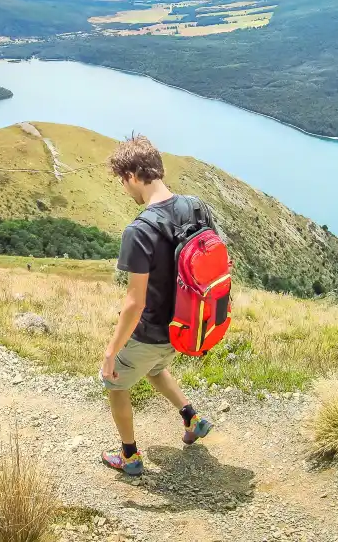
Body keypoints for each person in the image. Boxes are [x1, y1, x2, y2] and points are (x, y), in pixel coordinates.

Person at [99, 134, 214, 477]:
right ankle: (192, 418)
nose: (125, 189)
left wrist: (110, 352)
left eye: (123, 182)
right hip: (188, 327)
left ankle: (130, 456)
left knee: (115, 382)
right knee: (154, 368)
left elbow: (135, 303)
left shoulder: (138, 230)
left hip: (152, 332)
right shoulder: (195, 206)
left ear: (133, 176)